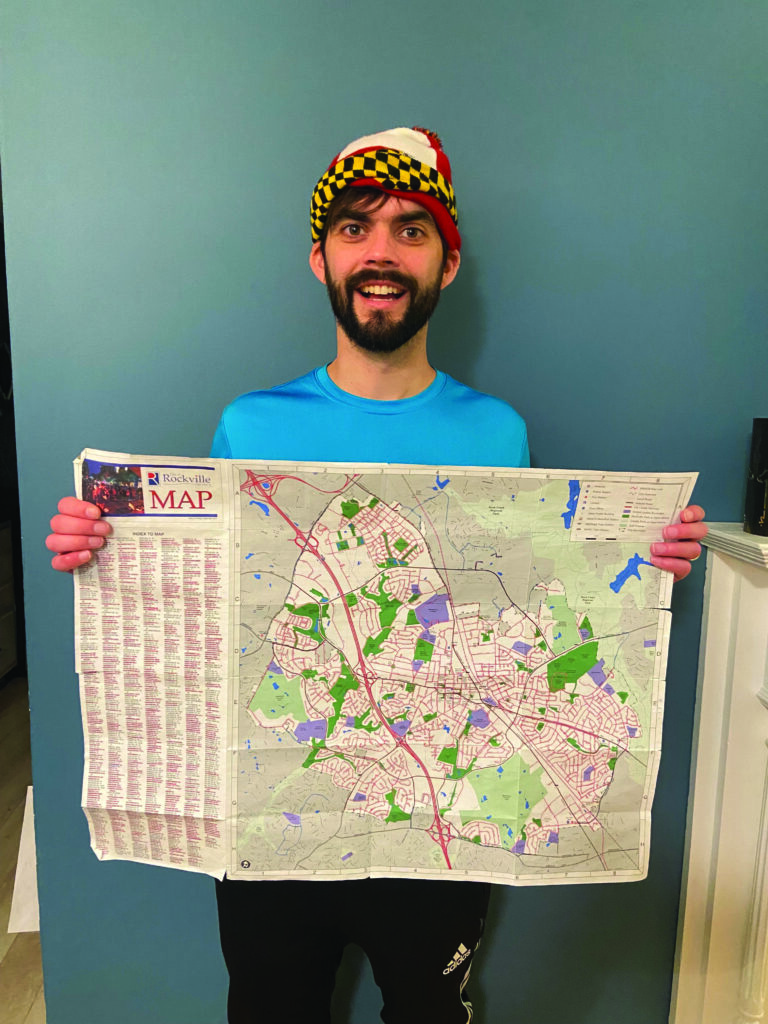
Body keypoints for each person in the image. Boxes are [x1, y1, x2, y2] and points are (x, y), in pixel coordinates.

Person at [45, 127, 708, 1024]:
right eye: (355, 228)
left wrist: (646, 563)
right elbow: (208, 598)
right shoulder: (248, 425)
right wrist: (102, 546)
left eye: (411, 228)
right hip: (271, 822)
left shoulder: (498, 435)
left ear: (448, 260)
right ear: (319, 257)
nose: (382, 252)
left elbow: (522, 606)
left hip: (438, 824)